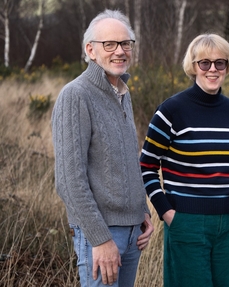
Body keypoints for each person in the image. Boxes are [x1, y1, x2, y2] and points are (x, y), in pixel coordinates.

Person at [51, 9, 154, 287]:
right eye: (109, 44)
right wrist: (101, 239)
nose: (119, 51)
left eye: (125, 44)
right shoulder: (76, 95)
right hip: (101, 235)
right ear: (91, 50)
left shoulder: (122, 91)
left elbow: (126, 160)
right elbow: (69, 181)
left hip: (133, 233)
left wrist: (141, 209)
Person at [140, 33, 229, 287]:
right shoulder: (171, 110)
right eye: (204, 63)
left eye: (219, 63)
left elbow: (227, 162)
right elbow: (147, 165)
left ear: (227, 66)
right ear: (193, 66)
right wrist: (166, 212)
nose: (212, 69)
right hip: (187, 222)